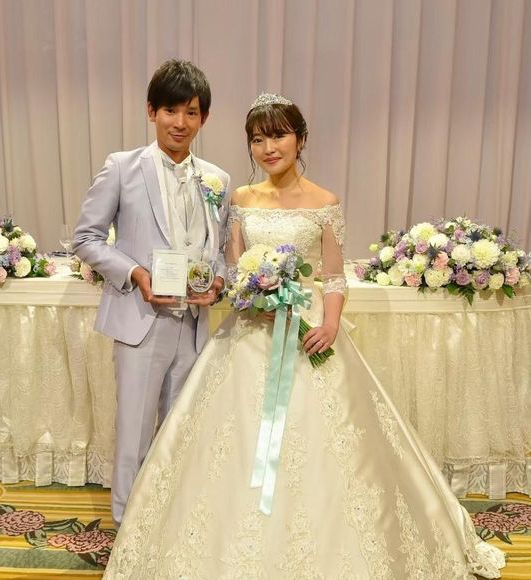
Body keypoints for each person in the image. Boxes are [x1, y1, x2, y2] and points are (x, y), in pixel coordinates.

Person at [101, 94, 505, 578]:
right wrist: (246, 290)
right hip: (250, 331)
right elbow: (232, 267)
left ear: (300, 139)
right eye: (258, 139)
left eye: (278, 136)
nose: (268, 148)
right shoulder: (240, 200)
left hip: (309, 331)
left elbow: (333, 277)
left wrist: (330, 323)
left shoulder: (324, 203)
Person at [72, 60, 230, 528]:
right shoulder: (122, 167)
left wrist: (218, 282)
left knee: (181, 432)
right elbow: (87, 239)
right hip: (141, 322)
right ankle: (126, 528)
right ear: (151, 111)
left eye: (191, 112)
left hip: (194, 325)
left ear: (203, 118)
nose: (180, 122)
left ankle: (168, 527)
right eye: (170, 111)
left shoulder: (217, 180)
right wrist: (136, 273)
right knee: (135, 433)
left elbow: (221, 251)